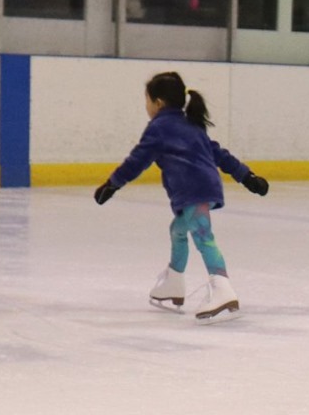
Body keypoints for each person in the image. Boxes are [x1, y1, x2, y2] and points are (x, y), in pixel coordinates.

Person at [93, 70, 269, 322]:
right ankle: (174, 281)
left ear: (158, 103)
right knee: (178, 230)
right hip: (202, 188)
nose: (146, 106)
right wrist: (247, 177)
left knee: (203, 236)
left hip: (193, 190)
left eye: (147, 101)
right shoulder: (191, 124)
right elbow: (218, 153)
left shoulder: (159, 128)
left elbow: (137, 160)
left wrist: (112, 184)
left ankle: (222, 288)